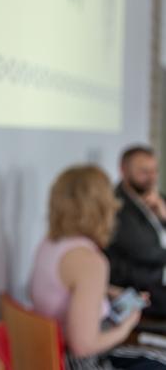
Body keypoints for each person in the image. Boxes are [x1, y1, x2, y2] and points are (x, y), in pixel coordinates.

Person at [29, 165, 165, 368]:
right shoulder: (90, 261)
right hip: (80, 362)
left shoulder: (50, 243)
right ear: (103, 207)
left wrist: (108, 291)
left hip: (48, 355)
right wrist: (127, 326)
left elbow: (65, 288)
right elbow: (82, 346)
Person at [106, 146, 166, 317]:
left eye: (154, 171)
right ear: (123, 170)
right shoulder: (115, 205)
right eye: (144, 172)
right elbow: (146, 252)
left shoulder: (159, 199)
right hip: (137, 288)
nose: (151, 177)